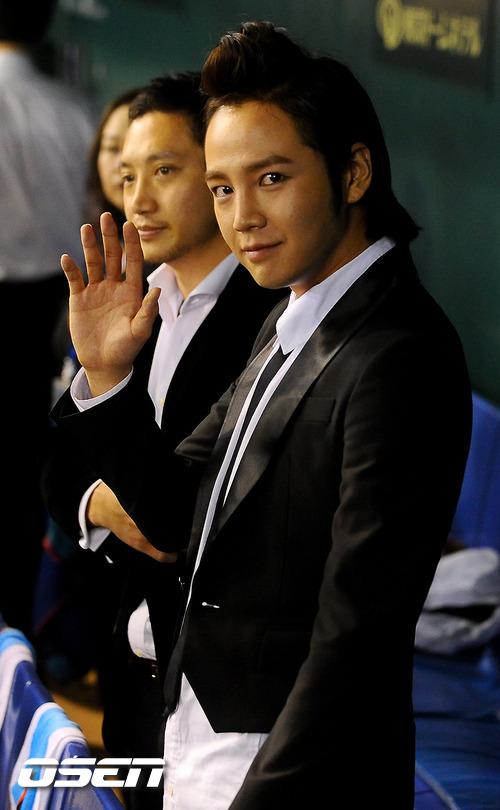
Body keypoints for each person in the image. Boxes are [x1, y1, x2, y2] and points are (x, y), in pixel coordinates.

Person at [50, 22, 472, 810]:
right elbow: (174, 514)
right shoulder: (290, 318)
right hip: (199, 737)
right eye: (222, 187)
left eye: (271, 178)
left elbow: (356, 640)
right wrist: (107, 377)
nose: (241, 215)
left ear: (353, 172)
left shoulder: (398, 352)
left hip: (287, 773)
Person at [42, 71, 284, 810]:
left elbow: (176, 519)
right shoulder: (131, 298)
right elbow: (58, 470)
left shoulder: (269, 317)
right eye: (126, 176)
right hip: (130, 662)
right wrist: (99, 502)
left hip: (215, 699)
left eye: (165, 172)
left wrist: (127, 498)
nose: (138, 201)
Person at [0, 0, 95, 636]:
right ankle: (23, 634)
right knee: (31, 468)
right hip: (60, 307)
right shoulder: (76, 108)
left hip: (42, 306)